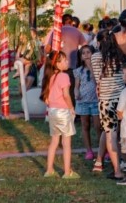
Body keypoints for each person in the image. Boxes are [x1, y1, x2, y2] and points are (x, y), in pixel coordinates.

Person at [91, 27, 126, 179]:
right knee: (124, 133)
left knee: (110, 133)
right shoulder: (120, 55)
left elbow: (96, 78)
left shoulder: (95, 57)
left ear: (99, 42)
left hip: (106, 100)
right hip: (122, 98)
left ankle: (117, 170)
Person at [40, 50, 79, 179]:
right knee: (66, 143)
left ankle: (49, 170)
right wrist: (71, 108)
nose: (67, 62)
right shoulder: (64, 76)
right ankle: (67, 172)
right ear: (57, 63)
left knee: (54, 141)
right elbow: (66, 95)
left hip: (52, 112)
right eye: (64, 60)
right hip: (63, 112)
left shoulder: (49, 77)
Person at [74, 45, 100, 161]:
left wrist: (91, 67)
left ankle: (103, 148)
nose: (86, 55)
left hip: (95, 101)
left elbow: (97, 81)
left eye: (88, 52)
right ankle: (89, 150)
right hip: (83, 101)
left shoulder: (97, 68)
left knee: (98, 126)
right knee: (85, 126)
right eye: (83, 53)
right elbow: (76, 86)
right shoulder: (79, 71)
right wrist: (76, 93)